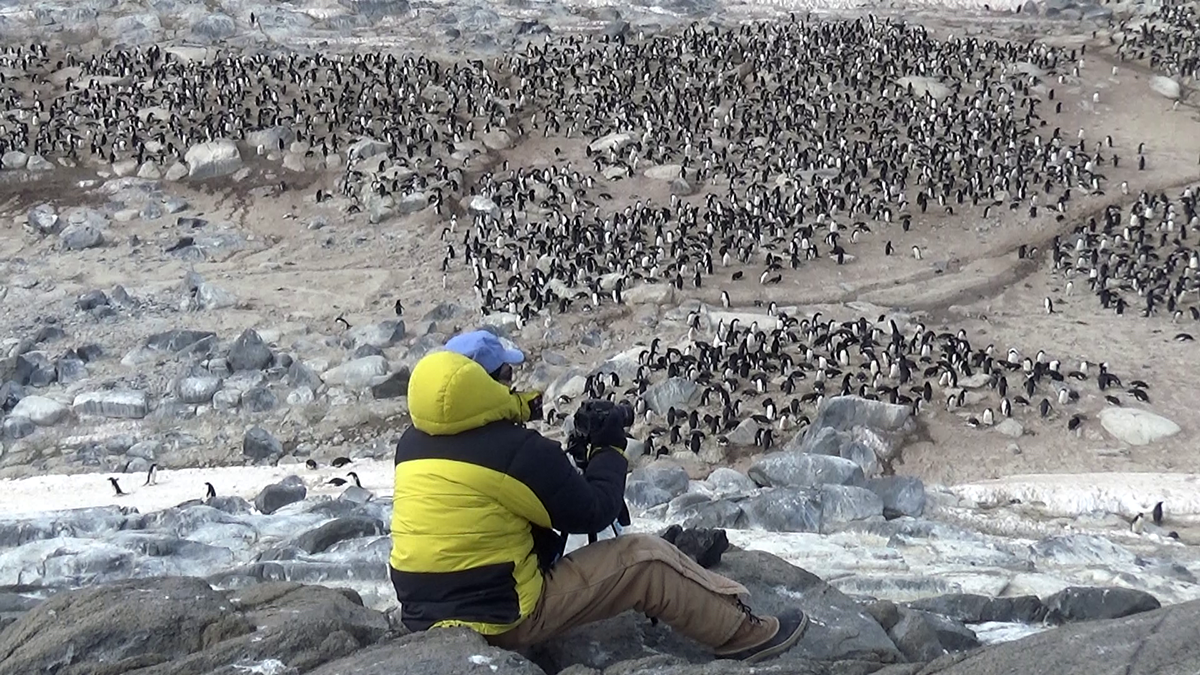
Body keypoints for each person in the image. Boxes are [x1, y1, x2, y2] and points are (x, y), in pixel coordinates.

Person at [389, 329, 809, 663]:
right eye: (504, 377)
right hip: (501, 618)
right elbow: (591, 511)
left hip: (423, 615)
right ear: (481, 386)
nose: (511, 384)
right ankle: (746, 635)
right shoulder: (513, 450)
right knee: (646, 559)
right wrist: (608, 451)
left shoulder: (410, 444)